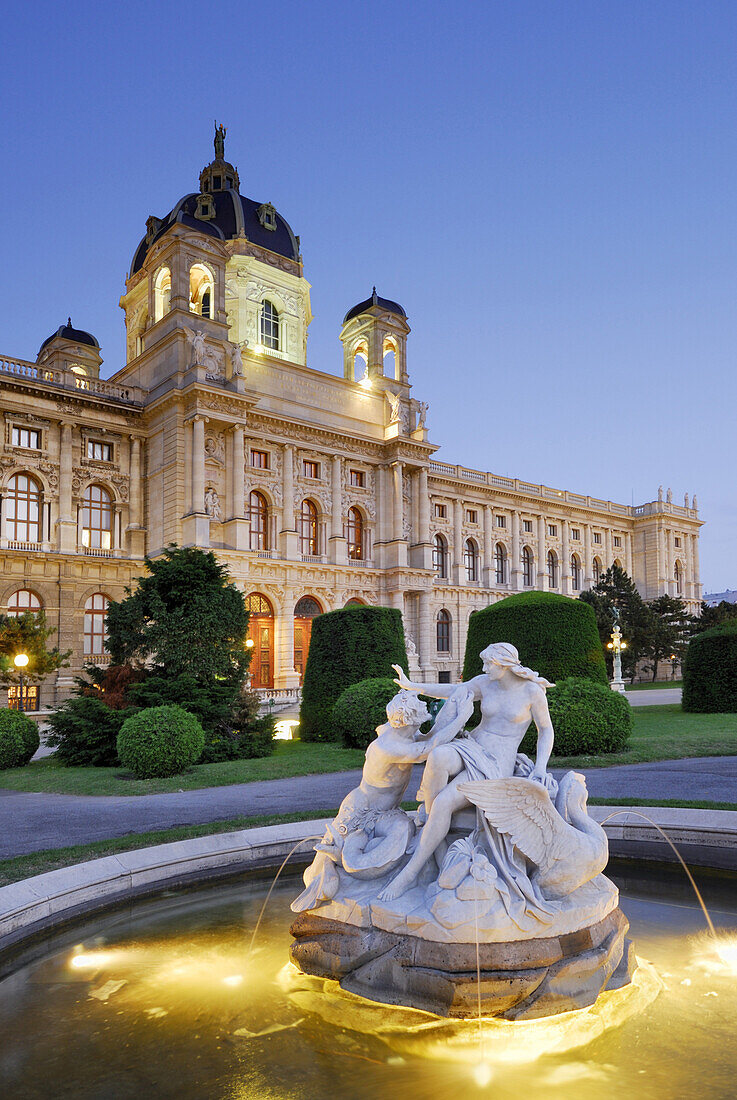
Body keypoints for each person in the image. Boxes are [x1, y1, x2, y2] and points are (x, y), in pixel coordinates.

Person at [378, 642, 555, 901]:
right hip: (471, 744)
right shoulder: (485, 683)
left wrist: (540, 767)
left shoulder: (532, 692)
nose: (483, 668)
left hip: (496, 761)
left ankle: (410, 872)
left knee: (444, 803)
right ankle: (431, 826)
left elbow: (546, 730)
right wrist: (412, 686)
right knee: (437, 755)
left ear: (504, 665)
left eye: (488, 664)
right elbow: (453, 691)